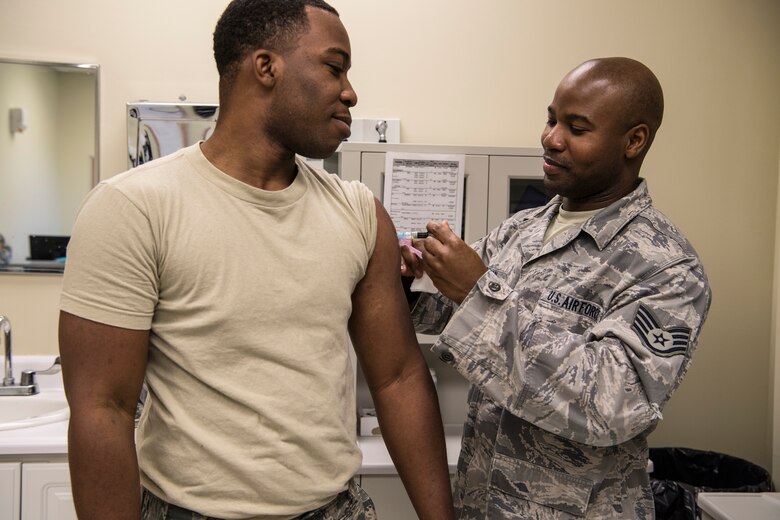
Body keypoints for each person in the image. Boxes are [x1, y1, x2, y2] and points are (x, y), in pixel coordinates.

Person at [59, 1, 454, 519]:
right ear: (266, 67)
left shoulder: (359, 214)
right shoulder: (133, 208)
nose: (350, 92)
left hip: (336, 509)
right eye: (335, 68)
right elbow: (101, 411)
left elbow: (398, 377)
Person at [401, 57, 711, 519]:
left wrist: (477, 293)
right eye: (550, 119)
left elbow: (612, 405)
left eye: (577, 128)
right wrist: (409, 281)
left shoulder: (666, 267)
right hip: (480, 502)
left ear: (634, 140)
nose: (551, 138)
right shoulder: (523, 230)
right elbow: (450, 311)